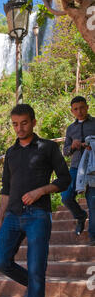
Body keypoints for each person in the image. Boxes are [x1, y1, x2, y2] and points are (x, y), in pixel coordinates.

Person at [0, 104, 71, 297]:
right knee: (0, 261)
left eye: (24, 123)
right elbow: (6, 189)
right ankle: (36, 286)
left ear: (34, 122)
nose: (19, 128)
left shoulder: (48, 147)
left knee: (37, 269)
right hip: (13, 216)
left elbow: (65, 179)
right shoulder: (11, 152)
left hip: (38, 215)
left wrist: (41, 191)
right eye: (15, 124)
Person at [62, 96, 95, 245]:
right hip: (76, 167)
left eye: (82, 107)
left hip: (92, 169)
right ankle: (80, 216)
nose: (79, 111)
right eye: (76, 109)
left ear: (87, 107)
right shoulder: (70, 128)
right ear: (72, 111)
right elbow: (65, 151)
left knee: (92, 202)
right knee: (66, 196)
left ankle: (93, 236)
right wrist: (73, 147)